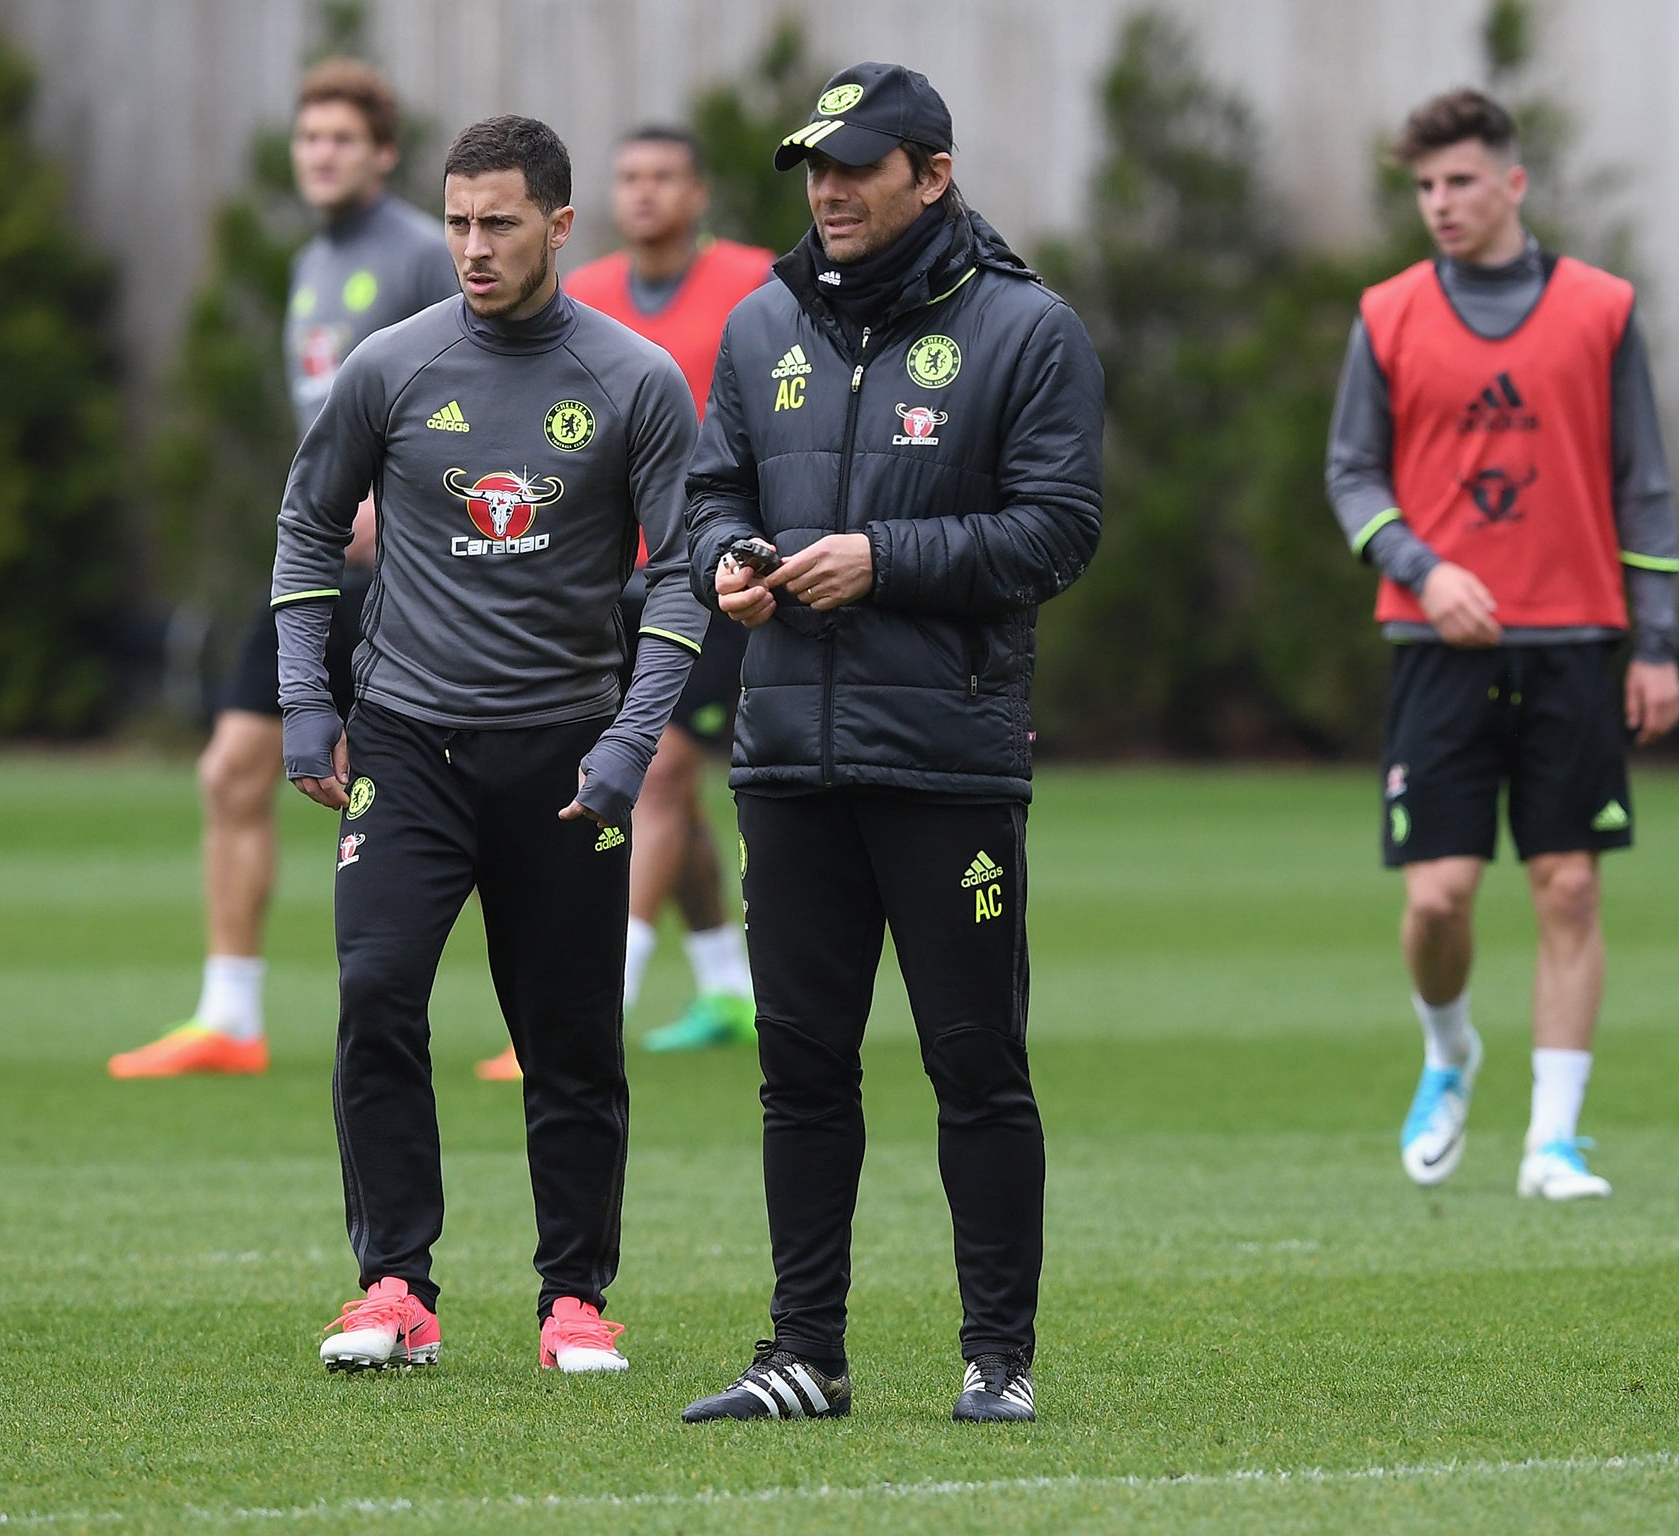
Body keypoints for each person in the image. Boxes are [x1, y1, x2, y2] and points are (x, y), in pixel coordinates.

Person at [677, 63, 1104, 1425]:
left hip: (948, 764)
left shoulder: (1028, 331)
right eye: (814, 164)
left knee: (973, 1061)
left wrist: (884, 561)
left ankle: (998, 1356)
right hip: (789, 759)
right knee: (800, 1066)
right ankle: (805, 1352)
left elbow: (1059, 531)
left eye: (857, 164)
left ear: (934, 173)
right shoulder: (759, 328)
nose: (828, 188)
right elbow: (708, 498)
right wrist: (725, 564)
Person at [273, 114, 707, 1373]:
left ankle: (572, 1298)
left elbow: (678, 574)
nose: (471, 246)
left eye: (499, 223)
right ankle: (393, 1285)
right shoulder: (389, 367)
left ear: (561, 226)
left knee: (568, 1036)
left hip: (568, 756)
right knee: (374, 995)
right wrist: (312, 699)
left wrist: (631, 741)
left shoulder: (631, 382)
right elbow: (307, 531)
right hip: (406, 747)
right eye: (457, 221)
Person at [1325, 89, 1679, 1202]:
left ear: (1512, 184)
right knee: (1436, 898)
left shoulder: (1600, 307)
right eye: (1423, 187)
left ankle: (1552, 1143)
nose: (1438, 203)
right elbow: (1350, 474)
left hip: (1574, 640)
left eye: (1459, 182)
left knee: (1567, 887)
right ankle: (1447, 1053)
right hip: (1436, 648)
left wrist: (1656, 640)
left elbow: (1645, 483)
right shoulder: (1385, 312)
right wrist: (1424, 572)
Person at [110, 59, 457, 1079]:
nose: (322, 156)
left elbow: (477, 397)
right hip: (313, 568)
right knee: (229, 770)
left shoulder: (424, 256)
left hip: (412, 577)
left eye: (343, 140)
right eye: (309, 140)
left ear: (382, 154)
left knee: (457, 790)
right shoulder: (311, 264)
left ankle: (543, 1017)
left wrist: (401, 507)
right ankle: (230, 1018)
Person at [474, 126, 773, 1080]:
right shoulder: (588, 294)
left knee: (655, 770)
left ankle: (596, 1007)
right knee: (668, 790)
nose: (644, 193)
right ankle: (730, 985)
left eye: (664, 177)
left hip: (719, 568)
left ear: (699, 193)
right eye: (629, 177)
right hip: (608, 576)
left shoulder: (756, 285)